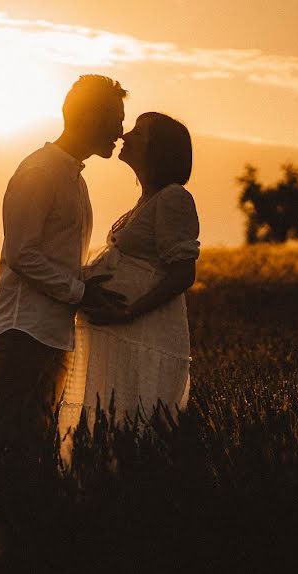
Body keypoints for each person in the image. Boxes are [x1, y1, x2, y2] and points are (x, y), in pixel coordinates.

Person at [0, 75, 128, 524]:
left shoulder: (74, 179)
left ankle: (20, 534)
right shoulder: (40, 171)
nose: (119, 131)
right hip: (24, 330)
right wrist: (81, 292)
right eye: (114, 119)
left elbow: (59, 258)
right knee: (4, 438)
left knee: (35, 443)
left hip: (53, 332)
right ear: (91, 117)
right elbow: (22, 254)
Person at [57, 112, 200, 466]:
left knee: (138, 428)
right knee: (110, 426)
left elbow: (183, 272)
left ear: (158, 150)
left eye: (138, 131)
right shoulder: (149, 200)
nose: (125, 135)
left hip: (144, 334)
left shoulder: (174, 198)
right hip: (123, 334)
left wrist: (128, 311)